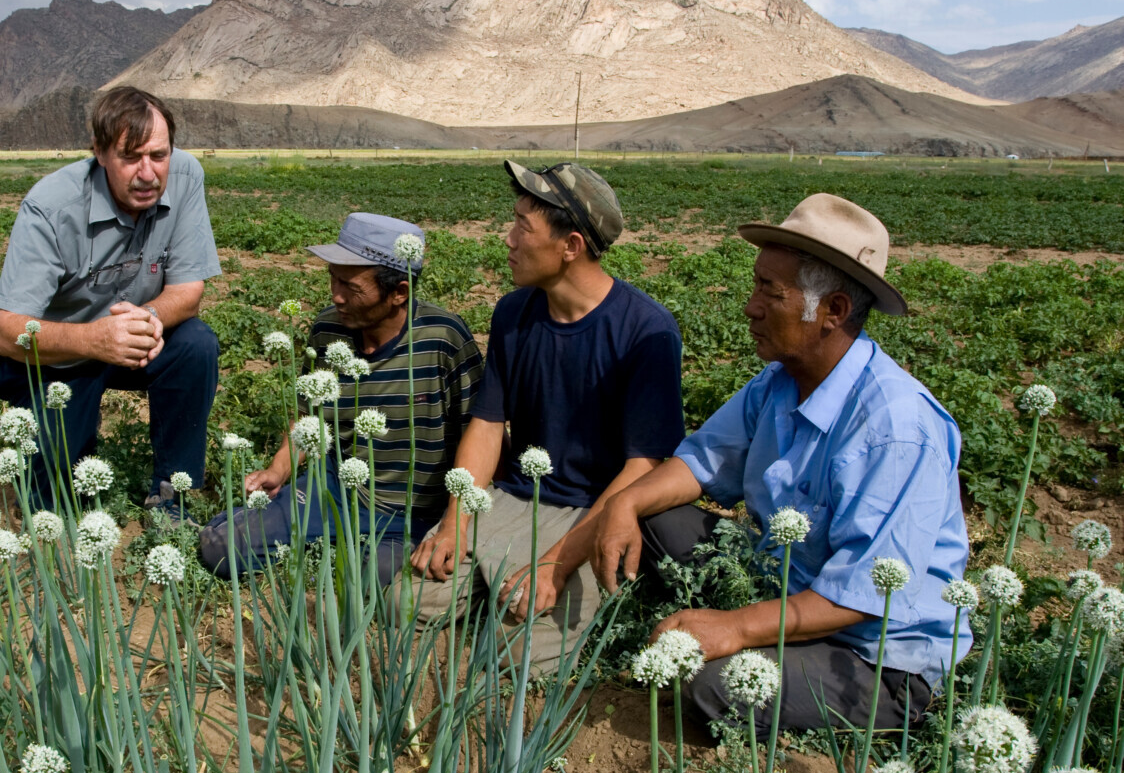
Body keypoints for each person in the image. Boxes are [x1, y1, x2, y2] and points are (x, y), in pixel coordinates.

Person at [590, 193, 970, 735]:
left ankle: (875, 706)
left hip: (870, 654)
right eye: (756, 285)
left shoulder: (896, 429)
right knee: (651, 514)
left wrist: (737, 627)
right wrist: (625, 503)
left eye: (771, 291)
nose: (750, 306)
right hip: (785, 588)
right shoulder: (780, 380)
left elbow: (864, 595)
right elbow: (700, 462)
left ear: (832, 311)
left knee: (710, 681)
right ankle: (728, 627)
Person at [410, 161, 686, 674]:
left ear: (571, 246)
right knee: (402, 604)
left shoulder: (646, 332)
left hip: (591, 514)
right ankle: (491, 584)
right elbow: (489, 426)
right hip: (513, 497)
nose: (508, 239)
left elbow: (642, 469)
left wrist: (555, 565)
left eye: (522, 226)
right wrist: (455, 520)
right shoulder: (514, 312)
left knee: (517, 660)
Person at [198, 213, 483, 582]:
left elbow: (479, 433)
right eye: (333, 278)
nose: (336, 295)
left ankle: (340, 547)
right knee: (221, 548)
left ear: (400, 292)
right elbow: (309, 417)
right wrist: (278, 470)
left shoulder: (444, 338)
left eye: (352, 287)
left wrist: (455, 522)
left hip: (412, 511)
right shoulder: (329, 328)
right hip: (335, 488)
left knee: (369, 579)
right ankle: (315, 535)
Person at [0, 86, 220, 512]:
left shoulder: (186, 175)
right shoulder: (51, 207)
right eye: (130, 157)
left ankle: (173, 495)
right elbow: (7, 334)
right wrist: (95, 340)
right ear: (99, 151)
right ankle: (71, 430)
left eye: (158, 155)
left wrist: (148, 318)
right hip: (60, 353)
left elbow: (189, 291)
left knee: (195, 345)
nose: (148, 173)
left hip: (134, 341)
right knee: (55, 504)